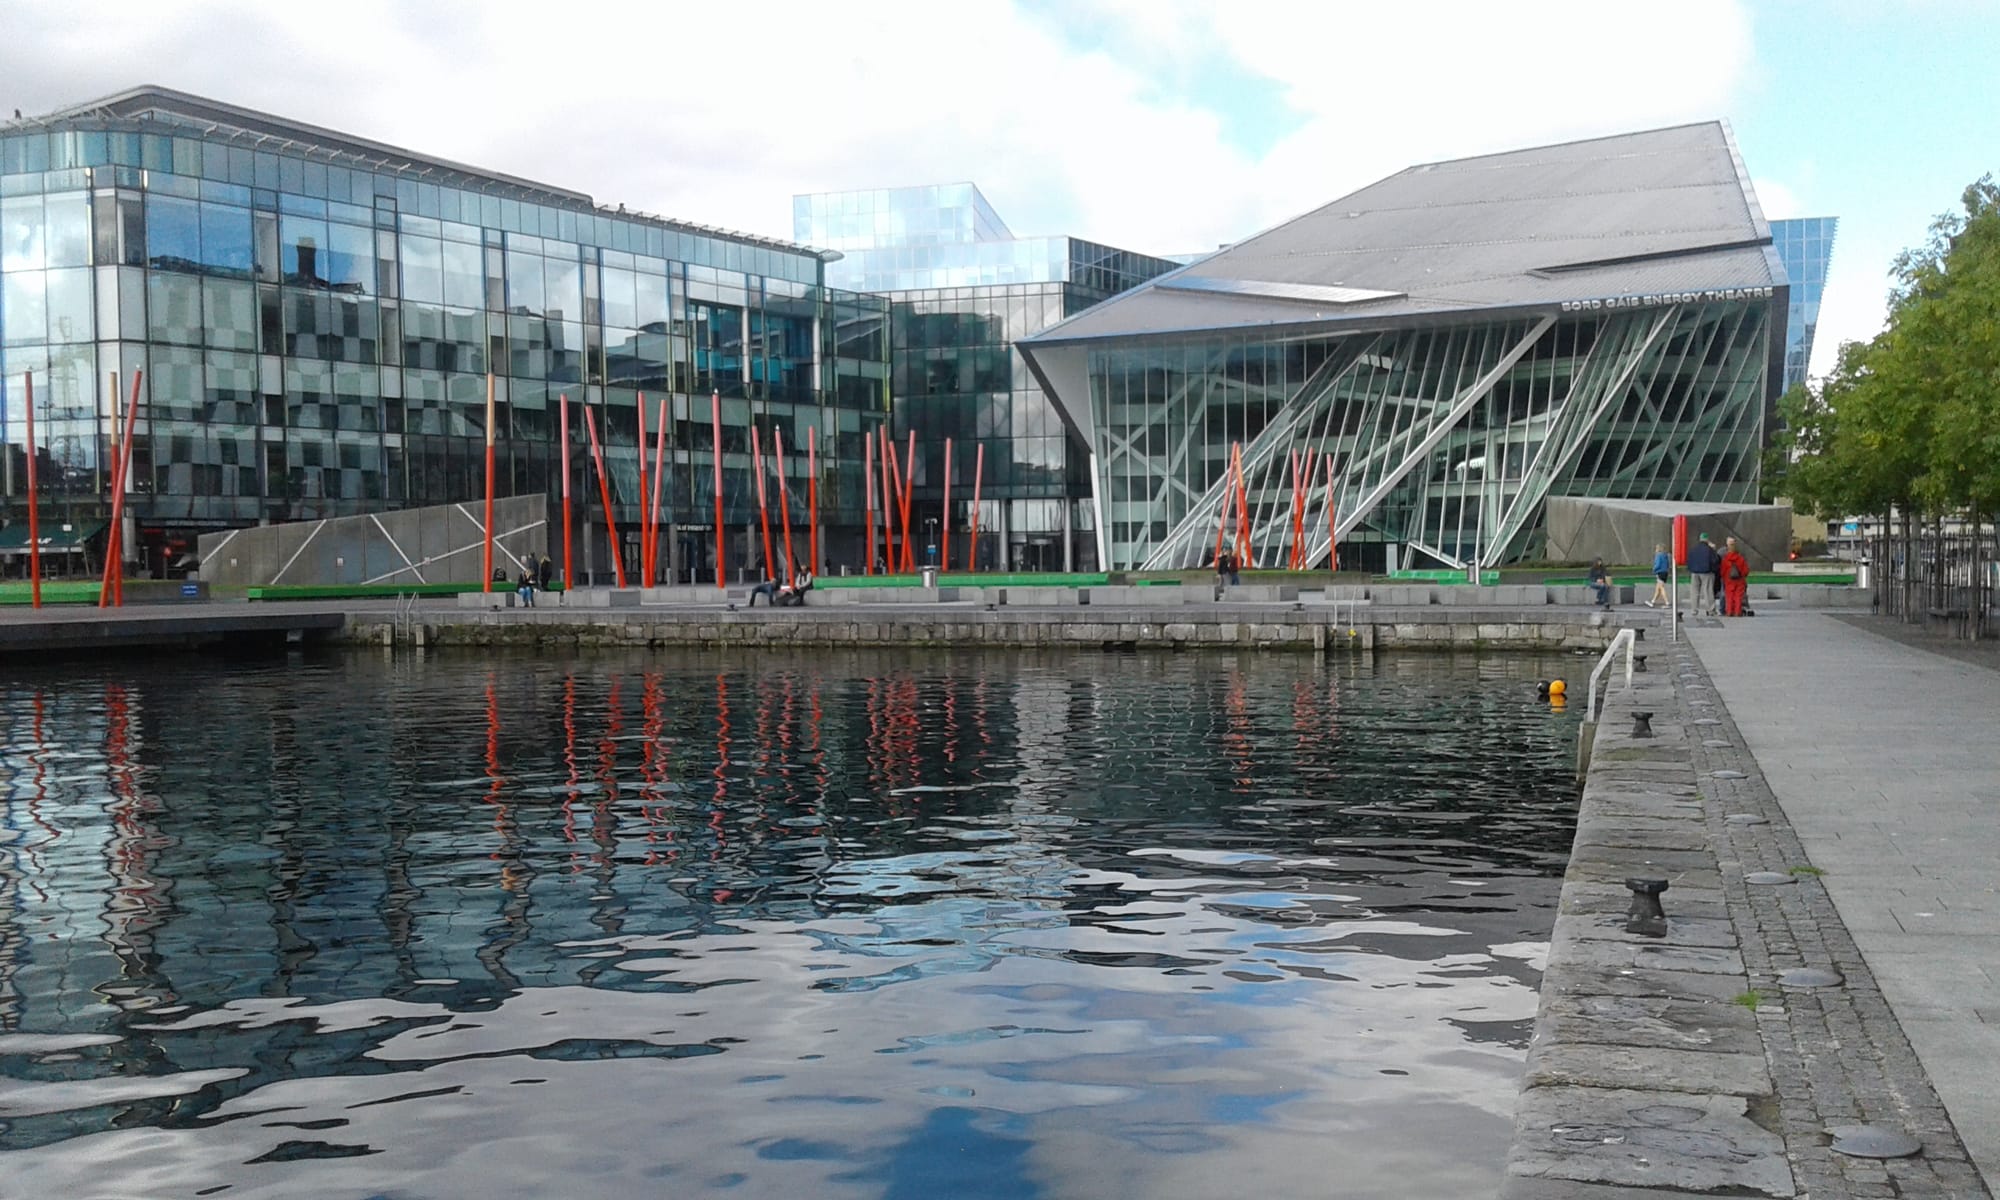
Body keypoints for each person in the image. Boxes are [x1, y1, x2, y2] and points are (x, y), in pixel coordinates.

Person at [1686, 533, 1719, 615]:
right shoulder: (1710, 550)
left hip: (1694, 573)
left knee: (1694, 592)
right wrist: (1714, 550)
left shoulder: (1693, 549)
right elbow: (1715, 561)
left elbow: (1689, 560)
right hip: (1707, 572)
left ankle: (1694, 610)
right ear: (1707, 540)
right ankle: (1711, 610)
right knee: (1707, 591)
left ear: (1700, 539)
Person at [1720, 536, 1751, 617]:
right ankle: (1737, 612)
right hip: (1739, 581)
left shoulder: (1725, 559)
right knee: (1738, 597)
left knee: (1729, 597)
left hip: (1729, 581)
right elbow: (1746, 571)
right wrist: (1743, 576)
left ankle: (1729, 612)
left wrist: (1724, 577)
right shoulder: (1740, 558)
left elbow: (1722, 571)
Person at [1648, 543, 1670, 608]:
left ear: (1658, 549)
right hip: (1665, 573)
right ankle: (1653, 601)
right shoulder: (1665, 556)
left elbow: (1658, 564)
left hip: (1660, 572)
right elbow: (1668, 564)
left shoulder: (1658, 555)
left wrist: (1654, 569)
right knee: (1658, 588)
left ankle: (1667, 602)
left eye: (1656, 548)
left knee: (1661, 587)